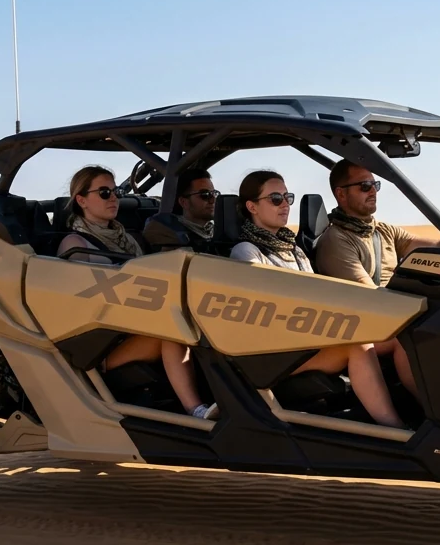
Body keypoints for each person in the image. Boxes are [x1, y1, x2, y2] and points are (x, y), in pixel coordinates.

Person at [230, 170, 406, 429]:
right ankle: (395, 430)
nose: (285, 205)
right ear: (252, 206)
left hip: (307, 336)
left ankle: (424, 413)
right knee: (358, 346)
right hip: (275, 351)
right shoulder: (246, 251)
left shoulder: (294, 249)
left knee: (400, 336)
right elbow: (262, 304)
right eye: (276, 199)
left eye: (287, 197)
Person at [57, 165, 214, 420]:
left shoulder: (129, 239)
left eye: (116, 191)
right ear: (81, 200)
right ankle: (194, 410)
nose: (114, 198)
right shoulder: (74, 244)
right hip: (103, 345)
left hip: (139, 325)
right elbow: (76, 305)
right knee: (172, 330)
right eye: (105, 192)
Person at [312, 160, 440, 287]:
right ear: (341, 194)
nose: (373, 191)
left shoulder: (383, 231)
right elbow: (367, 292)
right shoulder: (337, 239)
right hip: (378, 307)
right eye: (365, 186)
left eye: (375, 185)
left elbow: (436, 247)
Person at [172, 168, 219, 251]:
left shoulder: (217, 232)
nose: (213, 200)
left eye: (214, 193)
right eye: (205, 194)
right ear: (183, 202)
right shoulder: (173, 239)